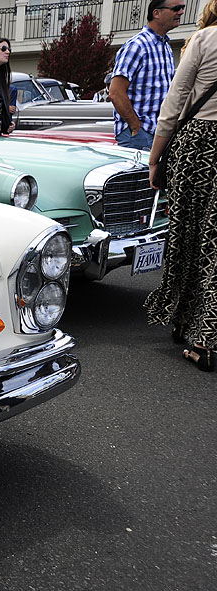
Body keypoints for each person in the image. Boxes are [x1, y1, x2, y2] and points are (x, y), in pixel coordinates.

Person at [145, 0, 217, 373]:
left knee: (187, 235)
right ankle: (204, 333)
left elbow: (174, 103)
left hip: (200, 146)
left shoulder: (205, 39)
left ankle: (187, 323)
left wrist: (156, 157)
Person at [108, 0, 184, 149]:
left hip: (158, 132)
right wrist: (136, 127)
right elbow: (115, 92)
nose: (181, 12)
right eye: (176, 8)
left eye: (182, 8)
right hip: (139, 135)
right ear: (156, 13)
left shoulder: (165, 47)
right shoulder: (137, 46)